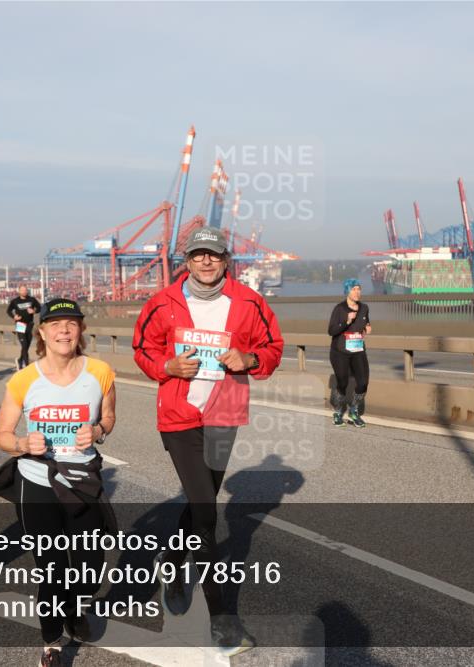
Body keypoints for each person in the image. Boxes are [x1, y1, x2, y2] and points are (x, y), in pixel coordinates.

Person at [132, 226, 283, 656]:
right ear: (186, 260)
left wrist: (249, 358)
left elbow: (273, 347)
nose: (205, 261)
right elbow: (142, 348)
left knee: (202, 506)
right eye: (197, 254)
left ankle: (171, 561)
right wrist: (167, 367)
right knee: (206, 514)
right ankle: (220, 620)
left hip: (224, 414)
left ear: (225, 260)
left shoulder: (250, 302)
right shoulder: (162, 302)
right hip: (178, 416)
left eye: (213, 255)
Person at [0, 297, 116, 666]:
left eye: (71, 323)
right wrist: (23, 444)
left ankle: (75, 608)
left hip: (82, 481)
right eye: (55, 324)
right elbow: (1, 435)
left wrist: (98, 431)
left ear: (81, 330)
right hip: (37, 484)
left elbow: (109, 417)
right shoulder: (24, 380)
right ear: (41, 332)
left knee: (90, 568)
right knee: (53, 569)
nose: (64, 330)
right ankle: (52, 643)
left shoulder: (101, 372)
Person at [327, 278, 371, 428]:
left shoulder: (364, 308)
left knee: (363, 383)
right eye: (354, 289)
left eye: (359, 289)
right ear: (347, 291)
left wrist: (367, 328)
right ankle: (338, 412)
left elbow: (366, 322)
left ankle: (353, 411)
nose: (357, 292)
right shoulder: (339, 309)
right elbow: (331, 330)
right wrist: (346, 322)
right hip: (340, 352)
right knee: (343, 382)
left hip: (358, 350)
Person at [6, 285, 41, 370]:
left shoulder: (32, 300)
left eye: (25, 290)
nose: (24, 292)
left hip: (30, 324)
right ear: (19, 291)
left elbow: (40, 308)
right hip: (20, 324)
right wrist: (14, 316)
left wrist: (34, 311)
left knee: (27, 345)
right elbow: (8, 311)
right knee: (24, 344)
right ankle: (26, 365)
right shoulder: (15, 301)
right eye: (22, 290)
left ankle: (20, 360)